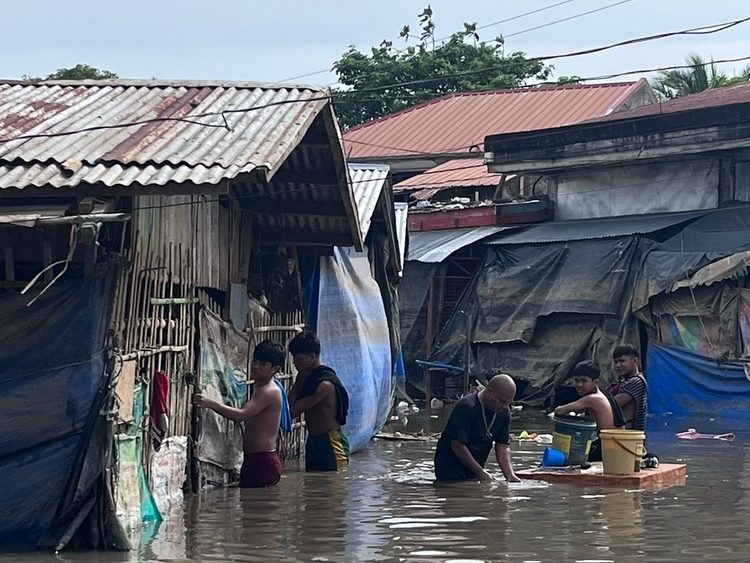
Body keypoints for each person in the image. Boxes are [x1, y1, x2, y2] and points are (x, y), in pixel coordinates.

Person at [193, 339, 286, 488]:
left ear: (274, 369)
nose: (255, 366)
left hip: (263, 460)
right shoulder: (260, 387)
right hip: (255, 458)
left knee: (257, 508)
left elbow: (240, 415)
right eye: (255, 361)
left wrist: (209, 403)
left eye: (262, 364)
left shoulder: (269, 391)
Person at [434, 374, 521, 483]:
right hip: (450, 467)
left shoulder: (503, 412)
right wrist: (480, 471)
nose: (504, 406)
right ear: (490, 392)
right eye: (501, 401)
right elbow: (457, 445)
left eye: (507, 403)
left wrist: (510, 475)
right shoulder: (467, 407)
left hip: (475, 469)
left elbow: (502, 446)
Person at [288, 332, 350, 471]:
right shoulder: (302, 376)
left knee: (334, 487)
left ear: (312, 357)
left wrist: (274, 418)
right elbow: (291, 398)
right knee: (312, 488)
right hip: (313, 440)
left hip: (330, 442)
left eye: (298, 358)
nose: (294, 363)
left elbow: (298, 408)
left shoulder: (325, 384)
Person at [554, 360, 626, 462]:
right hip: (616, 444)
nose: (579, 385)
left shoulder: (592, 399)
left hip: (609, 446)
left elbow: (559, 411)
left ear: (595, 382)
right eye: (577, 380)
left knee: (573, 459)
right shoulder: (603, 394)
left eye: (584, 381)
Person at [608, 344, 648, 431]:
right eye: (616, 362)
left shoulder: (637, 381)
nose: (618, 365)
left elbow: (611, 406)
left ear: (635, 361)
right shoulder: (624, 382)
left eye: (622, 361)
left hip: (628, 435)